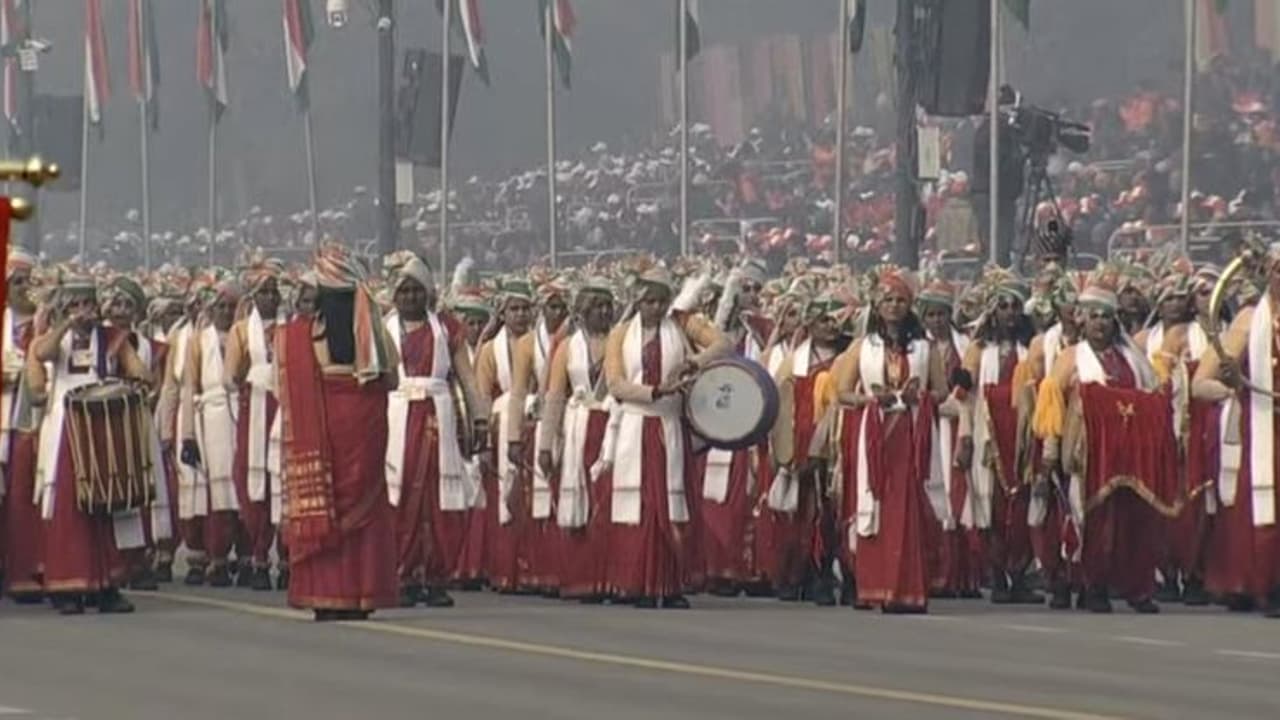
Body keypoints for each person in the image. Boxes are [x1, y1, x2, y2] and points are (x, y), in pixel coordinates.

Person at [276, 244, 399, 621]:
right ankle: (361, 593)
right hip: (365, 428)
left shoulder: (303, 336)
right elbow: (391, 380)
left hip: (322, 426)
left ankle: (325, 592)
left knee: (323, 504)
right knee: (366, 508)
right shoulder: (375, 338)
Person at [1038, 278, 1170, 614]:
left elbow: (1152, 401)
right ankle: (1091, 585)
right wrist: (1050, 455)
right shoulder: (1070, 358)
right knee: (1094, 522)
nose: (1100, 322)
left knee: (1135, 521)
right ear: (1082, 319)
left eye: (1106, 316)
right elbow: (1053, 408)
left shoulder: (1134, 359)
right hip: (1088, 456)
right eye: (1094, 315)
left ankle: (1137, 588)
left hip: (1131, 455)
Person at [603, 267, 729, 608]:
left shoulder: (682, 324)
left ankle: (670, 584)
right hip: (636, 426)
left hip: (670, 427)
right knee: (640, 508)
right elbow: (615, 384)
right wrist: (657, 390)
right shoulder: (620, 334)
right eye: (649, 302)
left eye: (662, 301)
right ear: (638, 301)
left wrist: (694, 361)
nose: (656, 308)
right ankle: (637, 584)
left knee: (674, 507)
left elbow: (723, 343)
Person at [30, 274, 152, 614]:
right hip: (67, 430)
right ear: (66, 308)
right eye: (76, 305)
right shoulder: (58, 338)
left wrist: (128, 385)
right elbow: (43, 353)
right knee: (69, 507)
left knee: (107, 505)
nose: (84, 312)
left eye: (88, 304)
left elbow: (142, 372)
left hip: (101, 430)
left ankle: (106, 585)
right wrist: (65, 325)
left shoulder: (112, 338)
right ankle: (66, 587)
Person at [835, 269, 948, 613]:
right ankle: (876, 586)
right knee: (877, 506)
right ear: (877, 304)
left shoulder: (925, 348)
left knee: (908, 510)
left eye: (900, 300)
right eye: (888, 300)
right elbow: (841, 392)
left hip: (912, 437)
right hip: (875, 437)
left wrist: (922, 397)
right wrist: (871, 400)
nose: (894, 306)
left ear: (910, 304)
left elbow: (941, 391)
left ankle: (908, 588)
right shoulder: (860, 347)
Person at [383, 255, 486, 608]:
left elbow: (467, 378)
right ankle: (401, 574)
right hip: (396, 422)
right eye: (404, 291)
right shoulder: (383, 329)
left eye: (417, 291)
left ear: (427, 294)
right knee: (400, 498)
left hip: (437, 419)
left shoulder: (446, 328)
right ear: (395, 297)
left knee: (438, 499)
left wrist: (480, 419)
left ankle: (436, 577)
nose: (411, 297)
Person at [1192, 247, 1280, 617]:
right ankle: (1269, 584)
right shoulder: (1248, 320)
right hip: (1262, 428)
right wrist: (1236, 387)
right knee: (1265, 505)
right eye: (1277, 270)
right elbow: (1201, 383)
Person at [958, 273, 1042, 604]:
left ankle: (1020, 574)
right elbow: (964, 396)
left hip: (1023, 435)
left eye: (1015, 307)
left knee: (1021, 505)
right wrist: (965, 437)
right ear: (992, 311)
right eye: (1003, 306)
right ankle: (997, 576)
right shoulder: (978, 350)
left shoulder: (1032, 349)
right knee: (990, 503)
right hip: (988, 434)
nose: (1009, 312)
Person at [538, 278, 616, 600]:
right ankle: (580, 576)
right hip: (578, 429)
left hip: (613, 428)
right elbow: (555, 396)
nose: (604, 312)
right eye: (597, 307)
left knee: (608, 501)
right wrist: (545, 444)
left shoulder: (620, 341)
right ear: (583, 313)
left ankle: (610, 576)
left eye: (608, 306)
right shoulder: (568, 347)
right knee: (579, 501)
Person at [700, 260, 774, 596]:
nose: (752, 295)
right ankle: (717, 568)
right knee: (720, 500)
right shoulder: (719, 332)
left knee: (751, 497)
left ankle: (749, 569)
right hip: (722, 420)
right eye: (745, 289)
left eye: (757, 289)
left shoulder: (765, 330)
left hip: (755, 422)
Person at [771, 293, 848, 605]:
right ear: (810, 325)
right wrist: (784, 453)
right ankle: (800, 575)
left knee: (836, 515)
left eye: (835, 320)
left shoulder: (849, 356)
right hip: (802, 447)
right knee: (805, 515)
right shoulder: (794, 362)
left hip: (839, 446)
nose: (831, 326)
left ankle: (829, 575)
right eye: (823, 321)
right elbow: (780, 406)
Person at [102, 276, 172, 591]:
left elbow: (156, 382)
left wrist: (148, 395)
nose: (121, 310)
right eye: (116, 304)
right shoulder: (99, 339)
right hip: (105, 422)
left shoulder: (148, 347)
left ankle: (138, 558)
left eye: (128, 305)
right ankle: (112, 561)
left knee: (142, 489)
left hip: (139, 419)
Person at [223, 258, 286, 591]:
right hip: (255, 410)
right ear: (253, 298)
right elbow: (231, 376)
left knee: (287, 481)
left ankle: (287, 559)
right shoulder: (240, 331)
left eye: (275, 292)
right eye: (264, 292)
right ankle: (260, 557)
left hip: (286, 409)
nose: (271, 298)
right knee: (254, 479)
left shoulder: (291, 328)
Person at [508, 278, 571, 595]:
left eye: (561, 307)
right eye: (551, 307)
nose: (557, 313)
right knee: (536, 500)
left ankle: (564, 568)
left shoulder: (575, 341)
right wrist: (512, 437)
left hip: (570, 422)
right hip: (536, 423)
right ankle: (537, 569)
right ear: (541, 310)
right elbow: (518, 392)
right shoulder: (527, 345)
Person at [916, 279, 979, 599]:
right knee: (932, 494)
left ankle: (961, 576)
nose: (937, 321)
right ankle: (935, 573)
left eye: (942, 314)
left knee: (960, 496)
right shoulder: (916, 348)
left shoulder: (965, 345)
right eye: (931, 315)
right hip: (926, 426)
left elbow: (970, 389)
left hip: (958, 427)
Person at [473, 279, 536, 593]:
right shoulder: (489, 350)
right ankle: (504, 569)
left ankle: (530, 568)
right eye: (514, 309)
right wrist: (484, 441)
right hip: (501, 424)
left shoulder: (542, 344)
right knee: (504, 495)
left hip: (532, 419)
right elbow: (483, 396)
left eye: (525, 309)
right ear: (503, 312)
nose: (520, 315)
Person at [179, 280, 243, 587]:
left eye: (233, 306)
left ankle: (243, 555)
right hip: (212, 418)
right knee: (216, 491)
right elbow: (190, 387)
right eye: (222, 307)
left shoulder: (246, 336)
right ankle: (214, 556)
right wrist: (187, 434)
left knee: (243, 489)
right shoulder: (198, 341)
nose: (227, 312)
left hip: (243, 414)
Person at [2, 248, 43, 601]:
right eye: (17, 282)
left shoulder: (42, 323)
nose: (23, 288)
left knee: (27, 496)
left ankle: (28, 569)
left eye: (29, 282)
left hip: (31, 420)